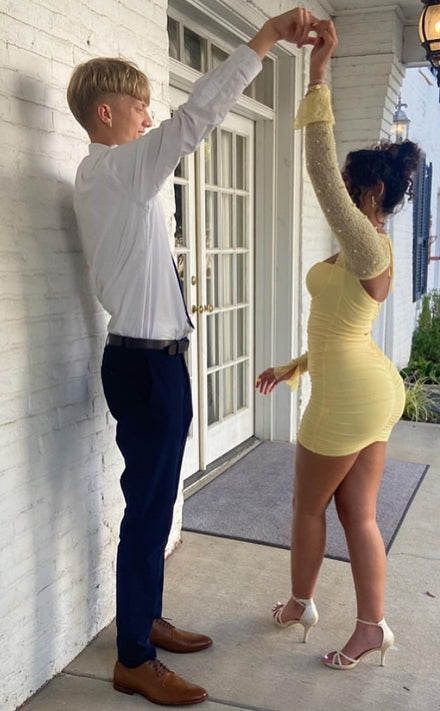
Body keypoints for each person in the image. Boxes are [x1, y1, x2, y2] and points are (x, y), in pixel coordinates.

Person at [66, 8, 318, 706]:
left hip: (149, 360)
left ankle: (143, 619)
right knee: (148, 511)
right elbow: (196, 117)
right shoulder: (118, 169)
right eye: (139, 106)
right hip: (147, 366)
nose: (149, 116)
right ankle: (133, 659)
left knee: (152, 504)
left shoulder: (108, 176)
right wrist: (265, 38)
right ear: (106, 112)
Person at [256, 20, 420, 671]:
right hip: (368, 386)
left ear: (371, 192)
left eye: (351, 187)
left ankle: (300, 604)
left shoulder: (365, 243)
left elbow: (320, 171)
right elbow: (335, 327)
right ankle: (371, 628)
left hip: (348, 396)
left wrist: (319, 73)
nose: (339, 195)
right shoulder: (365, 250)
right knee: (358, 514)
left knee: (307, 506)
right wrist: (292, 366)